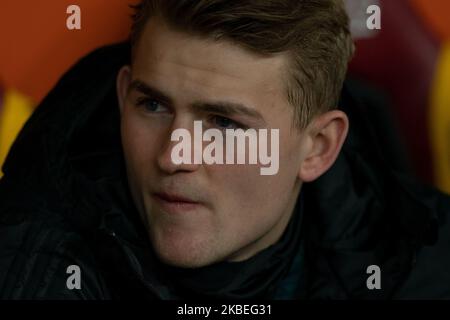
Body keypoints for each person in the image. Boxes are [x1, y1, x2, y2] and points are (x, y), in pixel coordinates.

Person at [0, 0, 449, 300]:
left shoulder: (429, 266)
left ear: (318, 147)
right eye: (152, 105)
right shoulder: (25, 266)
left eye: (224, 124)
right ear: (123, 97)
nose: (174, 157)